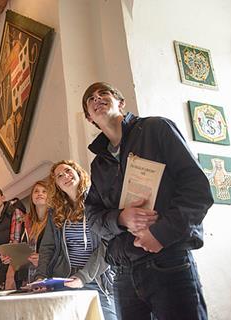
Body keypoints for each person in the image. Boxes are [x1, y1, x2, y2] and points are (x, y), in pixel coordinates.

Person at [82, 82, 214, 320]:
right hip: (123, 272)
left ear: (121, 103)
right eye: (90, 99)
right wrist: (120, 218)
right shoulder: (98, 164)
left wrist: (161, 234)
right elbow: (93, 218)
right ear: (89, 118)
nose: (97, 98)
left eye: (104, 93)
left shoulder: (156, 128)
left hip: (169, 261)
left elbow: (197, 189)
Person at [34, 160, 117, 320]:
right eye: (59, 176)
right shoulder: (55, 212)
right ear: (56, 185)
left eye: (68, 170)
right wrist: (40, 277)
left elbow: (108, 243)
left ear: (78, 172)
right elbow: (47, 247)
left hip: (96, 278)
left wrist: (83, 277)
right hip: (64, 278)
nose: (65, 175)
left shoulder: (98, 201)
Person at [2, 180, 51, 283]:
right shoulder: (25, 221)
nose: (40, 194)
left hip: (48, 275)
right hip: (26, 276)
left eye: (44, 191)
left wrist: (42, 260)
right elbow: (20, 248)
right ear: (32, 197)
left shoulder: (55, 220)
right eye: (36, 191)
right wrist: (11, 257)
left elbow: (60, 251)